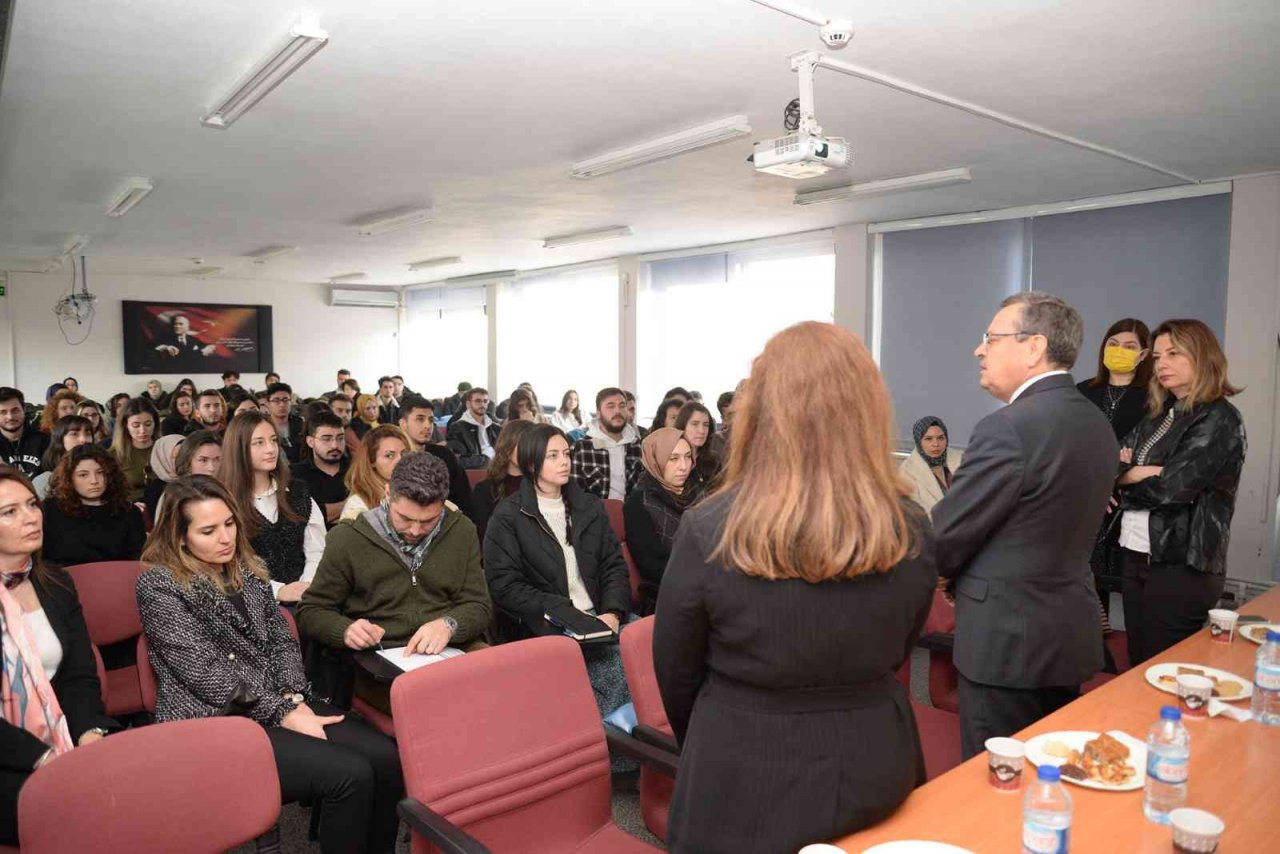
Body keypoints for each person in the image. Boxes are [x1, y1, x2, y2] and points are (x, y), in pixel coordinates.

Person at [652, 322, 935, 853]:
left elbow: (676, 670)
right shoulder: (910, 524)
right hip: (873, 753)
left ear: (758, 413)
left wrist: (720, 731)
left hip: (741, 763)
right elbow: (902, 646)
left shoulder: (710, 526)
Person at [135, 475, 402, 853]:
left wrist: (292, 695)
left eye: (229, 524)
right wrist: (283, 712)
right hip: (216, 721)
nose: (226, 537)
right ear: (180, 537)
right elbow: (206, 673)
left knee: (386, 759)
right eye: (208, 531)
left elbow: (280, 638)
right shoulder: (159, 585)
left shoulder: (247, 567)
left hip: (276, 699)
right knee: (351, 775)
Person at [931, 292, 1117, 759]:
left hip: (1006, 645)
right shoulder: (1095, 421)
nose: (979, 350)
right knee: (1047, 771)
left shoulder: (1008, 428)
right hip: (1064, 636)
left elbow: (945, 538)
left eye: (990, 339)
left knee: (997, 782)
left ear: (1034, 347)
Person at [298, 453, 492, 712]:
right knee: (446, 706)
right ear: (387, 493)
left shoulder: (462, 530)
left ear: (444, 503)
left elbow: (479, 604)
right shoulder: (347, 540)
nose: (414, 530)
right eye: (404, 518)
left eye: (428, 521)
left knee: (503, 688)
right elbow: (311, 612)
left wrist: (450, 625)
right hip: (379, 661)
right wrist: (345, 629)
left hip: (452, 650)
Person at [0, 467, 120, 847]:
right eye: (9, 512)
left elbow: (77, 674)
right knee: (75, 813)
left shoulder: (55, 583)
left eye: (31, 504)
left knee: (136, 790)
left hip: (62, 734)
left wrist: (89, 733)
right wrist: (43, 758)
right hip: (10, 754)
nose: (31, 517)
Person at [1115, 319, 1245, 665]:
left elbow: (1171, 491)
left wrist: (1126, 475)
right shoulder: (1158, 415)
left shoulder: (1218, 418)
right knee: (1136, 667)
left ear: (1202, 355)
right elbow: (1106, 465)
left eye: (1174, 353)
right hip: (1136, 554)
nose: (1161, 364)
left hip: (1181, 564)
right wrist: (1139, 472)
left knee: (1162, 670)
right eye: (1157, 357)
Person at [483, 424, 633, 718]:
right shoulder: (509, 515)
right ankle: (615, 755)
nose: (564, 461)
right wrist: (567, 613)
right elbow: (504, 586)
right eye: (552, 456)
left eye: (566, 453)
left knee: (653, 647)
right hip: (549, 624)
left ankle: (647, 741)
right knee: (618, 667)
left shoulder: (588, 506)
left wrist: (613, 613)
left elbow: (613, 565)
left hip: (601, 618)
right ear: (530, 463)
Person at [1078, 318, 1154, 637]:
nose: (1119, 351)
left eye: (1129, 346)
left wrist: (1115, 478)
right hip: (1081, 495)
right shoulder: (1082, 391)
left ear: (1144, 354)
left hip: (1129, 502)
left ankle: (1115, 645)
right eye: (1113, 344)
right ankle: (1094, 636)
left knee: (1128, 586)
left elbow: (1149, 455)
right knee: (1081, 577)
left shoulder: (1154, 399)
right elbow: (1070, 445)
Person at [219, 412, 326, 604]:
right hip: (251, 601)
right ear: (238, 449)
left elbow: (317, 550)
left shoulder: (297, 491)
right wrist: (278, 591)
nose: (271, 449)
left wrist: (306, 585)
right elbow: (231, 564)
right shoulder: (224, 501)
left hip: (307, 596)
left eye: (273, 440)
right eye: (259, 443)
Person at [622, 427, 693, 614]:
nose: (684, 466)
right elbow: (654, 567)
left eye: (688, 456)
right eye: (673, 458)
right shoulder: (639, 503)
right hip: (669, 597)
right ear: (656, 460)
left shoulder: (698, 494)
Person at [40, 445, 147, 567]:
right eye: (83, 475)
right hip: (62, 582)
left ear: (110, 475)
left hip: (117, 581)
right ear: (69, 478)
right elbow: (43, 560)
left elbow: (136, 561)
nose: (94, 480)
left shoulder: (129, 512)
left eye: (100, 472)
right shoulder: (50, 510)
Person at [398, 396, 473, 518]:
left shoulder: (445, 456)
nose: (428, 426)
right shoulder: (395, 458)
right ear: (403, 424)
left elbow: (464, 498)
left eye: (431, 420)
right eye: (420, 419)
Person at [572, 387, 643, 500]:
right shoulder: (582, 447)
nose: (617, 411)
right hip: (594, 515)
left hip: (633, 514)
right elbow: (574, 495)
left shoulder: (637, 446)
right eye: (610, 406)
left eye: (622, 405)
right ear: (598, 413)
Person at [470, 420, 534, 541]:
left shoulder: (544, 486)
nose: (529, 450)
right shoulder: (485, 490)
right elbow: (483, 537)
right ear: (508, 447)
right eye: (523, 444)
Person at [340, 425, 409, 522]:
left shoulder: (414, 490)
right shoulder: (357, 505)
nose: (400, 460)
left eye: (404, 453)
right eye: (389, 455)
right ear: (372, 461)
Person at [899, 416, 964, 515]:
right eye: (928, 439)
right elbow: (914, 516)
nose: (936, 444)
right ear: (919, 441)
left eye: (940, 438)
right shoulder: (906, 472)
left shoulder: (962, 459)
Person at [297, 411, 350, 528]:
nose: (335, 445)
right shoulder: (296, 475)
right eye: (326, 439)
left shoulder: (358, 469)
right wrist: (352, 504)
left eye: (340, 438)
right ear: (310, 442)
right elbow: (306, 516)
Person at [159, 430, 221, 521]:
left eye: (218, 459)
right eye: (203, 460)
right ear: (188, 463)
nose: (212, 468)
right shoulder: (175, 495)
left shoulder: (231, 487)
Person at [109, 397, 159, 503]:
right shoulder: (113, 455)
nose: (142, 431)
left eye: (148, 424)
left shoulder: (165, 450)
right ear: (126, 426)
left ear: (155, 424)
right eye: (136, 425)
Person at [31, 415, 92, 500]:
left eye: (87, 433)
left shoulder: (101, 475)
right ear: (60, 439)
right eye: (74, 434)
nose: (83, 439)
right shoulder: (45, 481)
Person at [672, 401, 720, 498]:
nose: (702, 431)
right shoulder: (668, 458)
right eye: (695, 424)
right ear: (682, 426)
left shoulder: (713, 461)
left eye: (706, 425)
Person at [446, 387, 500, 470]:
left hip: (498, 470)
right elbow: (458, 461)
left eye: (485, 401)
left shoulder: (495, 428)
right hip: (476, 472)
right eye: (478, 401)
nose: (482, 405)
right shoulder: (457, 428)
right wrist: (486, 458)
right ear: (468, 404)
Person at [0, 388, 48, 478]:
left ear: (24, 410)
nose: (10, 417)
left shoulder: (44, 441)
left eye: (15, 410)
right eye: (3, 412)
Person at [142, 434, 184, 522]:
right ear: (163, 458)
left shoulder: (197, 481)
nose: (182, 461)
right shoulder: (155, 490)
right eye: (175, 457)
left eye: (184, 456)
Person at [265, 382, 305, 464]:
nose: (282, 404)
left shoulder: (300, 423)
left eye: (285, 400)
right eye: (276, 401)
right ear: (268, 404)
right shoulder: (263, 426)